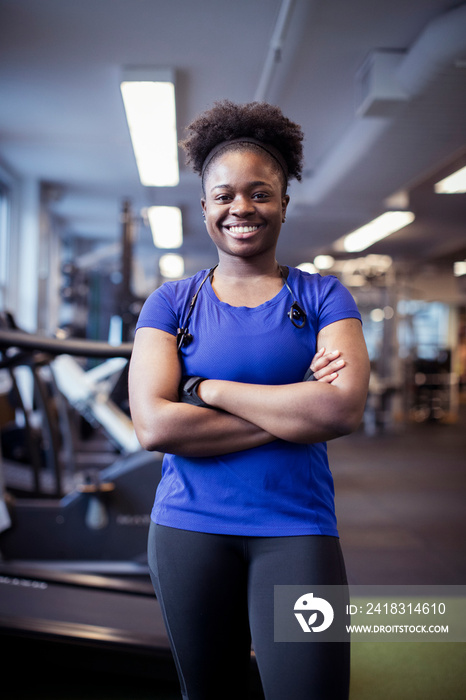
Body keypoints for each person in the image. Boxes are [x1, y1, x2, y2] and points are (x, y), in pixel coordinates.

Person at [129, 100, 370, 700]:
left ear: (284, 202)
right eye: (224, 195)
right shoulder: (171, 303)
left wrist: (206, 391)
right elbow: (156, 426)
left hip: (299, 528)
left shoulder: (323, 297)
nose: (242, 208)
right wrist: (298, 410)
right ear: (205, 207)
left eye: (260, 193)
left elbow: (343, 410)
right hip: (187, 529)